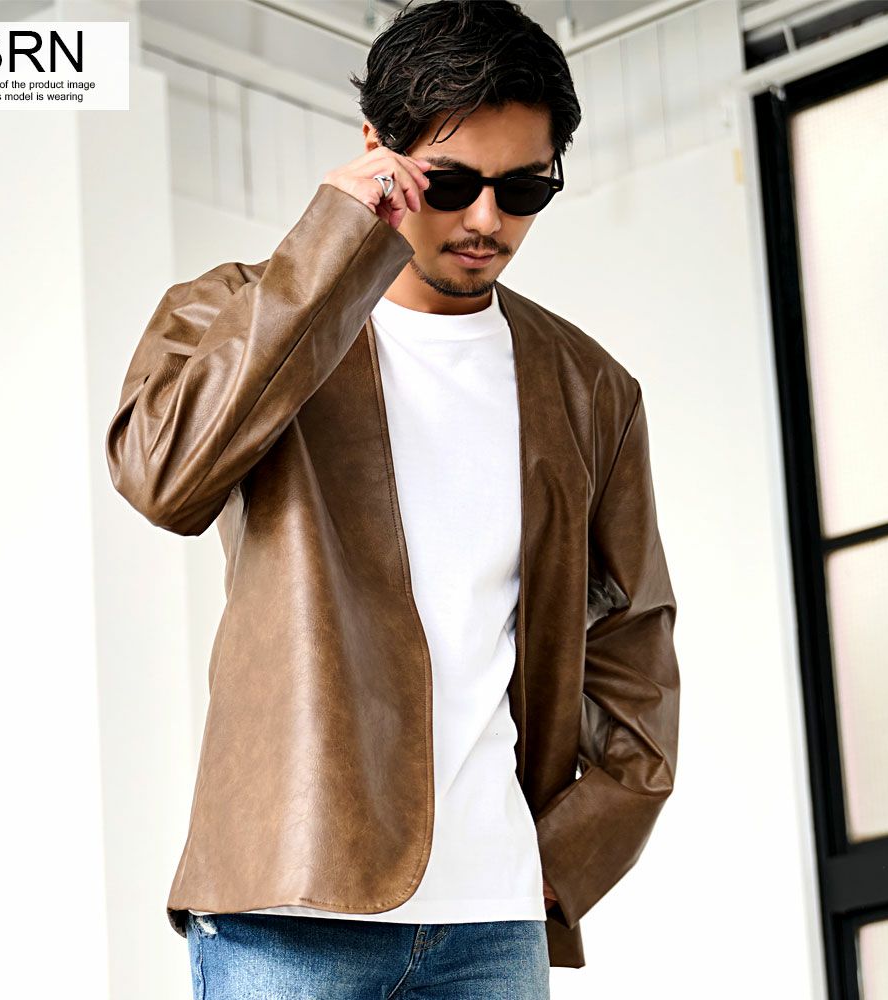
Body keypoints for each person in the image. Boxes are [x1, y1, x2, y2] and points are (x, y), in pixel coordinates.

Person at [105, 1, 680, 996]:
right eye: (450, 183)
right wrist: (330, 242)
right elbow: (163, 477)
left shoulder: (589, 390)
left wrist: (561, 863)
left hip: (493, 922)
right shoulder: (237, 310)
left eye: (523, 187)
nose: (486, 220)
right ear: (376, 149)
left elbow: (634, 647)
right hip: (291, 909)